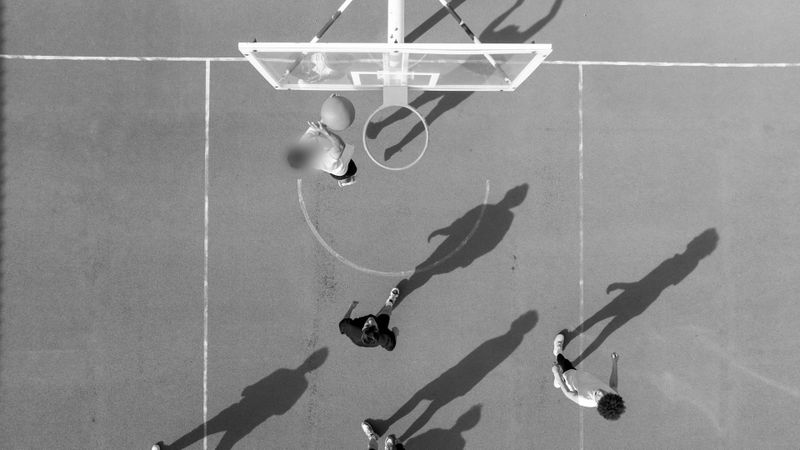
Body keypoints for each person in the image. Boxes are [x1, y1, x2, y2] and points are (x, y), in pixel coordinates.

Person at [551, 333, 625, 420]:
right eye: (606, 393)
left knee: (563, 362)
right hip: (581, 375)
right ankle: (558, 381)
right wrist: (615, 363)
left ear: (598, 405)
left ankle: (557, 351)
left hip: (570, 378)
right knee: (564, 372)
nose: (601, 392)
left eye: (600, 397)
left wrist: (556, 373)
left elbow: (568, 393)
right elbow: (613, 385)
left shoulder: (584, 400)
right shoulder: (613, 396)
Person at [287, 120, 357, 187]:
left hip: (338, 157)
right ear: (307, 161)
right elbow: (340, 147)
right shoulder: (323, 162)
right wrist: (327, 133)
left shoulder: (304, 141)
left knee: (346, 159)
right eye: (306, 153)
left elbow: (315, 128)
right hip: (340, 170)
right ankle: (344, 182)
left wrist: (326, 119)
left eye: (303, 149)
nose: (306, 148)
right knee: (351, 171)